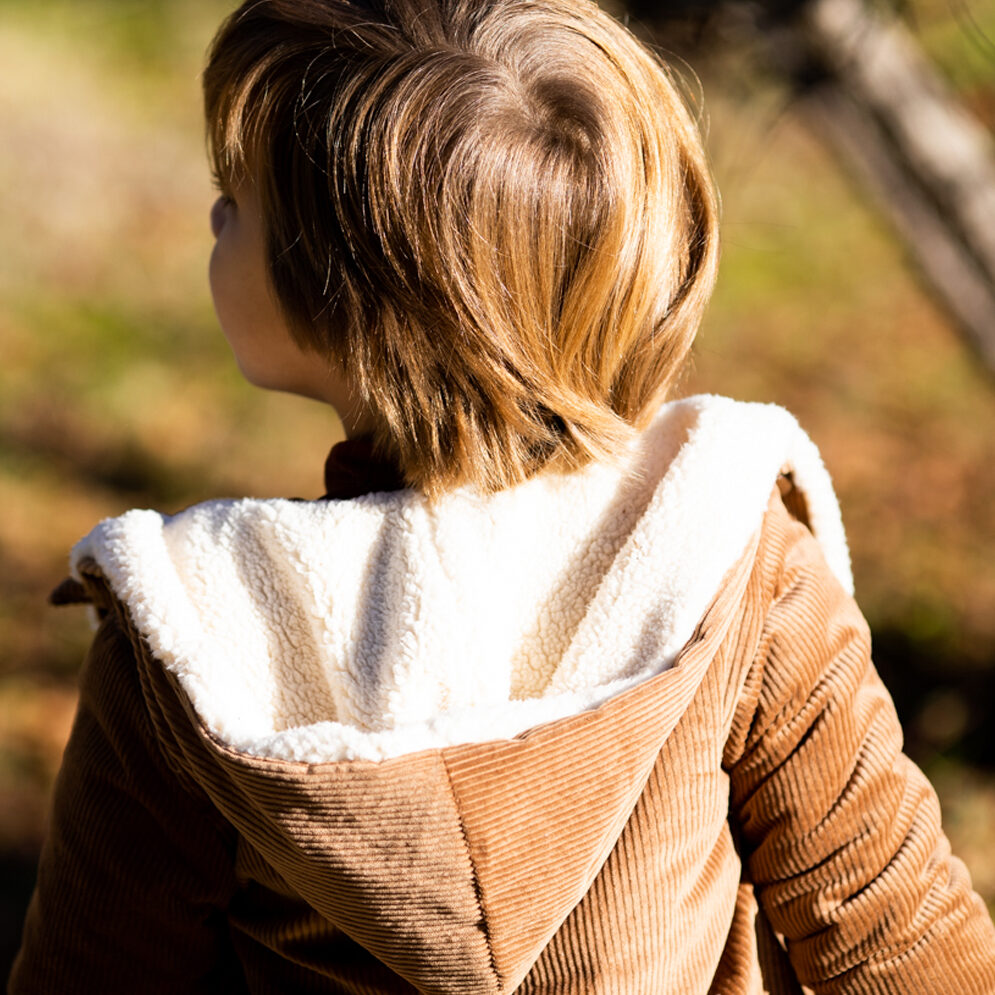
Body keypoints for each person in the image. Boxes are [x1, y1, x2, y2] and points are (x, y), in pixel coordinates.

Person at [9, 0, 995, 991]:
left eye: (241, 196)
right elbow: (888, 928)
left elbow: (96, 968)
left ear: (351, 295)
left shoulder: (196, 640)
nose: (214, 213)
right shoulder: (724, 549)